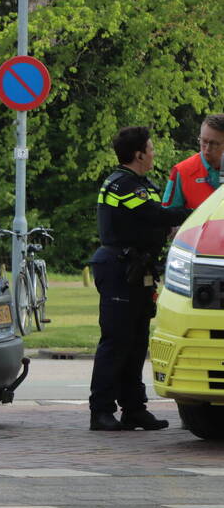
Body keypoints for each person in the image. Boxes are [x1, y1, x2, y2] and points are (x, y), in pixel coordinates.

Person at [89, 126, 187, 431]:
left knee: (135, 342)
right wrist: (194, 213)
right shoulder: (123, 186)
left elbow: (155, 217)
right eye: (151, 147)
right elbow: (154, 215)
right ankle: (101, 410)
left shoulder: (142, 183)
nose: (154, 152)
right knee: (116, 341)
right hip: (120, 268)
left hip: (138, 269)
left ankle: (134, 408)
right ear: (138, 154)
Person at [161, 114, 224, 210]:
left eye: (214, 143)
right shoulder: (181, 171)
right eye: (203, 141)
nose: (207, 149)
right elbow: (167, 215)